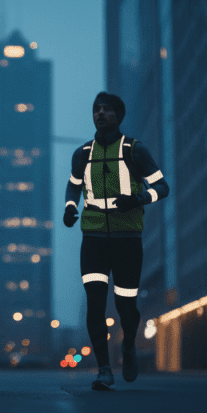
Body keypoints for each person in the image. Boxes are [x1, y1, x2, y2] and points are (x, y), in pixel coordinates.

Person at [63, 92, 169, 390]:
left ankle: (129, 346)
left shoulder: (136, 150)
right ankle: (104, 370)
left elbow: (163, 186)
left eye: (106, 110)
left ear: (118, 116)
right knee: (96, 305)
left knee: (126, 306)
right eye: (96, 109)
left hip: (127, 239)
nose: (100, 114)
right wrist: (70, 208)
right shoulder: (82, 153)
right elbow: (72, 188)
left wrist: (138, 198)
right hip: (93, 239)